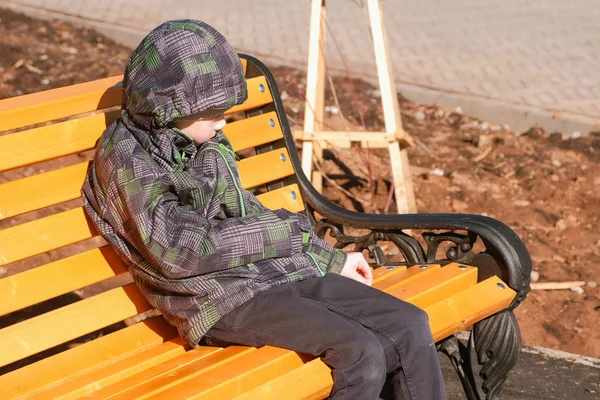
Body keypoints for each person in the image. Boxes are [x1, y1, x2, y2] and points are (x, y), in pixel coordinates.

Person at [82, 19, 446, 399]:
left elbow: (243, 208)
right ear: (168, 108)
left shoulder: (197, 140)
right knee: (360, 352)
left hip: (269, 277)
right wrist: (289, 232)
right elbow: (179, 251)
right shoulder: (127, 159)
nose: (224, 120)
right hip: (214, 300)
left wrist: (328, 257)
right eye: (213, 112)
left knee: (409, 324)